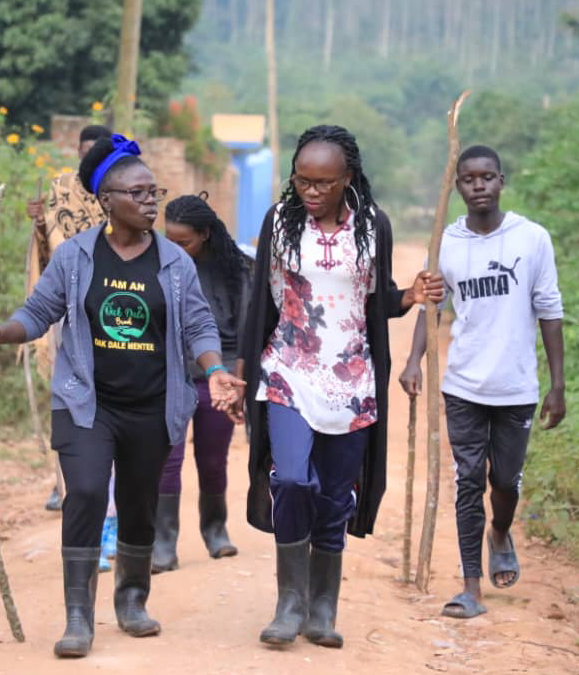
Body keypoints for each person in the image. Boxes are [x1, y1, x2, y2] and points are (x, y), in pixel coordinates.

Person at [0, 134, 244, 659]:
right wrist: (1, 332)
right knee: (89, 493)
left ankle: (132, 599)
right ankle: (78, 616)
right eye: (138, 193)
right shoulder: (75, 257)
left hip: (153, 405)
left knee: (139, 503)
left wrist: (213, 369)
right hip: (87, 404)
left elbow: (199, 325)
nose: (150, 202)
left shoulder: (174, 262)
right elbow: (39, 311)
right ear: (107, 201)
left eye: (153, 192)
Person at [235, 125, 444, 648]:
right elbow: (260, 302)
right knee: (291, 481)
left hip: (352, 382)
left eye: (323, 182)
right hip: (287, 371)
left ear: (348, 178)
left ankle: (323, 607)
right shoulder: (279, 225)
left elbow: (379, 300)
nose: (310, 191)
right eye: (302, 180)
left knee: (334, 495)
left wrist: (411, 296)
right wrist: (242, 373)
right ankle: (289, 602)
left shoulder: (374, 228)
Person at [399, 145, 565, 619]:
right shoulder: (446, 243)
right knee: (468, 482)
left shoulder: (531, 239)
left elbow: (549, 312)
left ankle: (500, 532)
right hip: (463, 385)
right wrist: (414, 360)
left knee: (505, 482)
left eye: (487, 177)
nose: (478, 186)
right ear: (457, 187)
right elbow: (432, 307)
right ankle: (471, 587)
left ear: (501, 181)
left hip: (516, 386)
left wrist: (558, 385)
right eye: (468, 179)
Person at [152, 192, 251, 572]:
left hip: (220, 373)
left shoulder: (239, 269)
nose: (174, 248)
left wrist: (237, 385)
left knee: (212, 457)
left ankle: (215, 529)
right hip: (171, 372)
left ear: (205, 234)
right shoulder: (158, 266)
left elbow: (245, 332)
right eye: (169, 240)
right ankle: (164, 542)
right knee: (167, 459)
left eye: (183, 242)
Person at [26, 124, 113, 516]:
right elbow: (48, 260)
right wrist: (39, 224)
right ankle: (63, 481)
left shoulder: (122, 194)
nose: (87, 159)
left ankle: (106, 487)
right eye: (83, 152)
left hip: (113, 315)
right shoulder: (61, 194)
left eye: (96, 151)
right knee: (67, 397)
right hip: (68, 315)